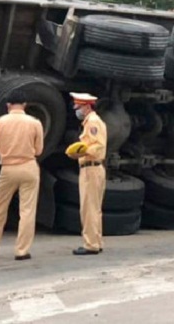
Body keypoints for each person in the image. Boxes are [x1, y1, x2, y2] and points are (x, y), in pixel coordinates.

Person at [0, 90, 44, 261]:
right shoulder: (35, 123)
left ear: (8, 105)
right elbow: (39, 149)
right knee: (27, 210)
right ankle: (22, 251)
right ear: (25, 105)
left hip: (8, 168)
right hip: (29, 167)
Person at [68, 92, 107, 256]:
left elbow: (97, 145)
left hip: (90, 168)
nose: (76, 109)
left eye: (78, 106)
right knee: (95, 208)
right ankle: (96, 241)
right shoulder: (92, 121)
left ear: (87, 106)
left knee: (89, 208)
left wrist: (80, 152)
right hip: (94, 168)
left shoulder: (92, 122)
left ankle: (90, 244)